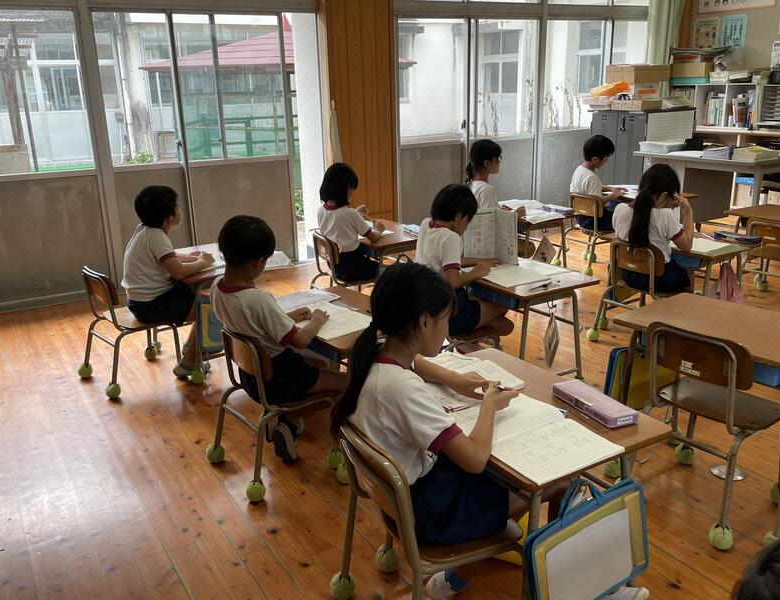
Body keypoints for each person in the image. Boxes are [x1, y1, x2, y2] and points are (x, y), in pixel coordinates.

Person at [329, 262, 563, 598]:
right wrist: (489, 406)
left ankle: (455, 580)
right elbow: (475, 460)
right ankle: (556, 580)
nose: (447, 329)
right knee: (557, 482)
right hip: (432, 514)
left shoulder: (372, 353)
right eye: (445, 320)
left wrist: (453, 379)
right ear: (424, 322)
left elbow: (417, 363)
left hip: (406, 500)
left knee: (503, 472)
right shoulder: (403, 388)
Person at [211, 215, 348, 462]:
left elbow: (253, 325)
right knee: (346, 382)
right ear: (257, 263)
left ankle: (284, 421)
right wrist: (317, 319)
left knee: (319, 363)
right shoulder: (257, 299)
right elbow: (301, 340)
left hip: (252, 377)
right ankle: (293, 421)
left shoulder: (216, 288)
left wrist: (287, 317)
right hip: (281, 377)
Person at [121, 185, 214, 378]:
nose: (181, 209)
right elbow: (178, 272)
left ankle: (190, 349)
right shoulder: (157, 236)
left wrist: (187, 257)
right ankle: (189, 363)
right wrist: (203, 262)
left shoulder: (144, 230)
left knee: (203, 301)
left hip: (139, 302)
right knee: (210, 308)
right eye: (178, 206)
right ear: (170, 219)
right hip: (153, 305)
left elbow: (165, 256)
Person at [416, 184, 513, 339]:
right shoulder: (451, 238)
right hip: (452, 310)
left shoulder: (426, 225)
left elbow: (448, 260)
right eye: (467, 221)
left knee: (504, 325)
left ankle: (468, 343)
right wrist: (476, 272)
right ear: (458, 216)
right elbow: (453, 281)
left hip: (427, 306)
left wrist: (480, 260)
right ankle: (467, 342)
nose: (466, 227)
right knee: (505, 307)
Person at [612, 164, 694, 294]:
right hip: (658, 279)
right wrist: (688, 212)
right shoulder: (665, 215)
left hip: (628, 274)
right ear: (664, 195)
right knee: (689, 269)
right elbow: (687, 246)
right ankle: (683, 303)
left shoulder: (620, 209)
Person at [317, 162, 384, 281]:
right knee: (393, 272)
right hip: (355, 268)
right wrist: (378, 229)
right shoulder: (349, 214)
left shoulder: (321, 210)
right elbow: (373, 237)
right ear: (344, 189)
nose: (353, 191)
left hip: (336, 267)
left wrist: (356, 214)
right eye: (352, 188)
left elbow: (337, 223)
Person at [570, 135, 628, 231]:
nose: (606, 161)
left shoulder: (579, 170)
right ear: (595, 159)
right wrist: (611, 196)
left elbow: (587, 187)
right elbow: (596, 205)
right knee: (626, 217)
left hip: (580, 217)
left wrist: (610, 188)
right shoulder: (592, 177)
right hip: (595, 221)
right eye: (606, 159)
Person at [466, 139, 502, 210]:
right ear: (486, 163)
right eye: (497, 159)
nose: (499, 162)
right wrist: (515, 214)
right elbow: (490, 216)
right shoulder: (486, 189)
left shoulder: (471, 183)